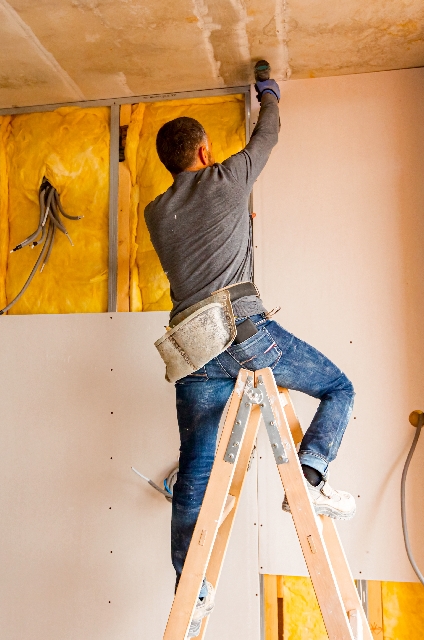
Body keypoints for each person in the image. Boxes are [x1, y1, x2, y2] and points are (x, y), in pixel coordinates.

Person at [145, 74, 356, 637]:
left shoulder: (155, 212)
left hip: (192, 352)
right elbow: (269, 136)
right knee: (340, 388)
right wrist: (269, 92)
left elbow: (201, 240)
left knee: (195, 470)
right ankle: (310, 475)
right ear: (204, 152)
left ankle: (189, 587)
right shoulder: (227, 178)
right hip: (242, 336)